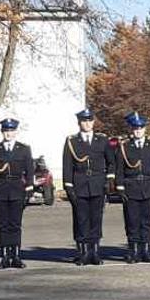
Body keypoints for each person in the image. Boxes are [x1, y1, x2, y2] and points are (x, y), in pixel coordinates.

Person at [61, 109, 112, 265]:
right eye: (84, 121)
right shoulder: (72, 141)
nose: (87, 124)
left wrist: (108, 181)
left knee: (96, 219)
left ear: (93, 122)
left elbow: (111, 162)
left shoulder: (102, 140)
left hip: (97, 184)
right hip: (80, 185)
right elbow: (67, 166)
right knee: (81, 219)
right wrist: (69, 187)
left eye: (90, 121)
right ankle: (83, 252)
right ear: (79, 123)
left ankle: (94, 252)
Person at [115, 112, 150, 263]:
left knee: (146, 222)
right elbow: (119, 169)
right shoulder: (124, 146)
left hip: (149, 187)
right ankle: (133, 251)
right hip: (131, 188)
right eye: (135, 128)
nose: (138, 131)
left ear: (145, 129)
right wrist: (120, 188)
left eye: (141, 128)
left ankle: (145, 251)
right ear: (131, 129)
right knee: (132, 222)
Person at [0, 118, 36, 268]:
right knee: (2, 225)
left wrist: (29, 188)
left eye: (11, 131)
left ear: (16, 132)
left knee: (15, 224)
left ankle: (16, 255)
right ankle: (5, 256)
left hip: (17, 188)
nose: (8, 134)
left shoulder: (24, 149)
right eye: (6, 131)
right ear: (2, 132)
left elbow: (29, 170)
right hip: (0, 188)